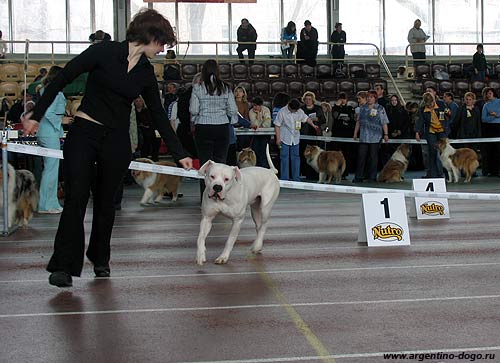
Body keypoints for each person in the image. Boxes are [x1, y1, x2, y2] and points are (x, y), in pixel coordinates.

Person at [22, 9, 192, 288]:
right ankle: (64, 266)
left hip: (116, 140)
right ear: (149, 35)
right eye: (161, 43)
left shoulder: (146, 73)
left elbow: (159, 114)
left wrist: (181, 154)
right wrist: (36, 116)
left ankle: (100, 258)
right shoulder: (103, 51)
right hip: (84, 132)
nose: (163, 50)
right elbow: (63, 78)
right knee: (76, 197)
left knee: (106, 203)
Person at [189, 59, 238, 194]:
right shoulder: (226, 87)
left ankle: (205, 196)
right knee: (221, 163)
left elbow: (193, 109)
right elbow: (233, 110)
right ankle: (220, 194)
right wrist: (231, 120)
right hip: (222, 127)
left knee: (205, 164)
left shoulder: (197, 87)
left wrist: (195, 119)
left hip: (203, 127)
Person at [37, 66, 66, 215]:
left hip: (44, 131)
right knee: (51, 170)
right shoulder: (57, 93)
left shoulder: (44, 90)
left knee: (49, 169)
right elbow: (49, 112)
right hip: (50, 132)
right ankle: (47, 204)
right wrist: (63, 119)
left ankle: (48, 202)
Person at [274, 98, 319, 181]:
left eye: (296, 110)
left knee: (296, 158)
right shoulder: (282, 112)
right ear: (289, 107)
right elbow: (277, 125)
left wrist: (313, 125)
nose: (294, 111)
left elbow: (306, 118)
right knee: (284, 158)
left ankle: (296, 178)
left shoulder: (300, 111)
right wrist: (278, 139)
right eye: (293, 110)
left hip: (295, 138)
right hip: (284, 138)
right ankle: (285, 178)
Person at [352, 90, 389, 183]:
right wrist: (355, 133)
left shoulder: (380, 108)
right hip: (364, 136)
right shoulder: (362, 108)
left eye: (371, 97)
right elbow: (358, 121)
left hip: (375, 137)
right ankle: (359, 176)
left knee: (373, 158)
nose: (369, 98)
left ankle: (372, 177)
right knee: (361, 157)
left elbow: (384, 122)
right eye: (368, 97)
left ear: (375, 98)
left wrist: (386, 134)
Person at [415, 92, 447, 178]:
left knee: (445, 153)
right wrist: (417, 132)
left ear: (434, 100)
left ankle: (444, 174)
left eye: (431, 104)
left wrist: (447, 129)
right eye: (428, 104)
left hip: (442, 131)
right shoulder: (422, 109)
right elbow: (420, 121)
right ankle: (432, 175)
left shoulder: (441, 105)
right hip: (431, 131)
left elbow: (447, 117)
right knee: (432, 153)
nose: (430, 106)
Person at [481, 87, 500, 177]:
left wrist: (497, 115)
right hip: (490, 128)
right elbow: (484, 119)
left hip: (498, 127)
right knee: (491, 150)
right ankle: (492, 170)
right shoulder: (486, 105)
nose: (488, 95)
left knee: (498, 149)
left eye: (490, 93)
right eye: (487, 94)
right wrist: (493, 117)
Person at [249, 97, 272, 168]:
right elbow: (255, 125)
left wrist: (260, 123)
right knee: (256, 151)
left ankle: (265, 168)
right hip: (255, 135)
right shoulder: (251, 111)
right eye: (253, 105)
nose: (254, 107)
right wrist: (259, 116)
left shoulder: (266, 110)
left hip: (265, 135)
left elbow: (268, 124)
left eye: (256, 105)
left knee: (263, 152)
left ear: (260, 105)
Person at [135, 96, 161, 161]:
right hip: (140, 131)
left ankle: (155, 157)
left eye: (140, 101)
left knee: (157, 138)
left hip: (151, 130)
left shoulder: (147, 111)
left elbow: (150, 122)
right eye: (137, 101)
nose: (138, 103)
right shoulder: (133, 112)